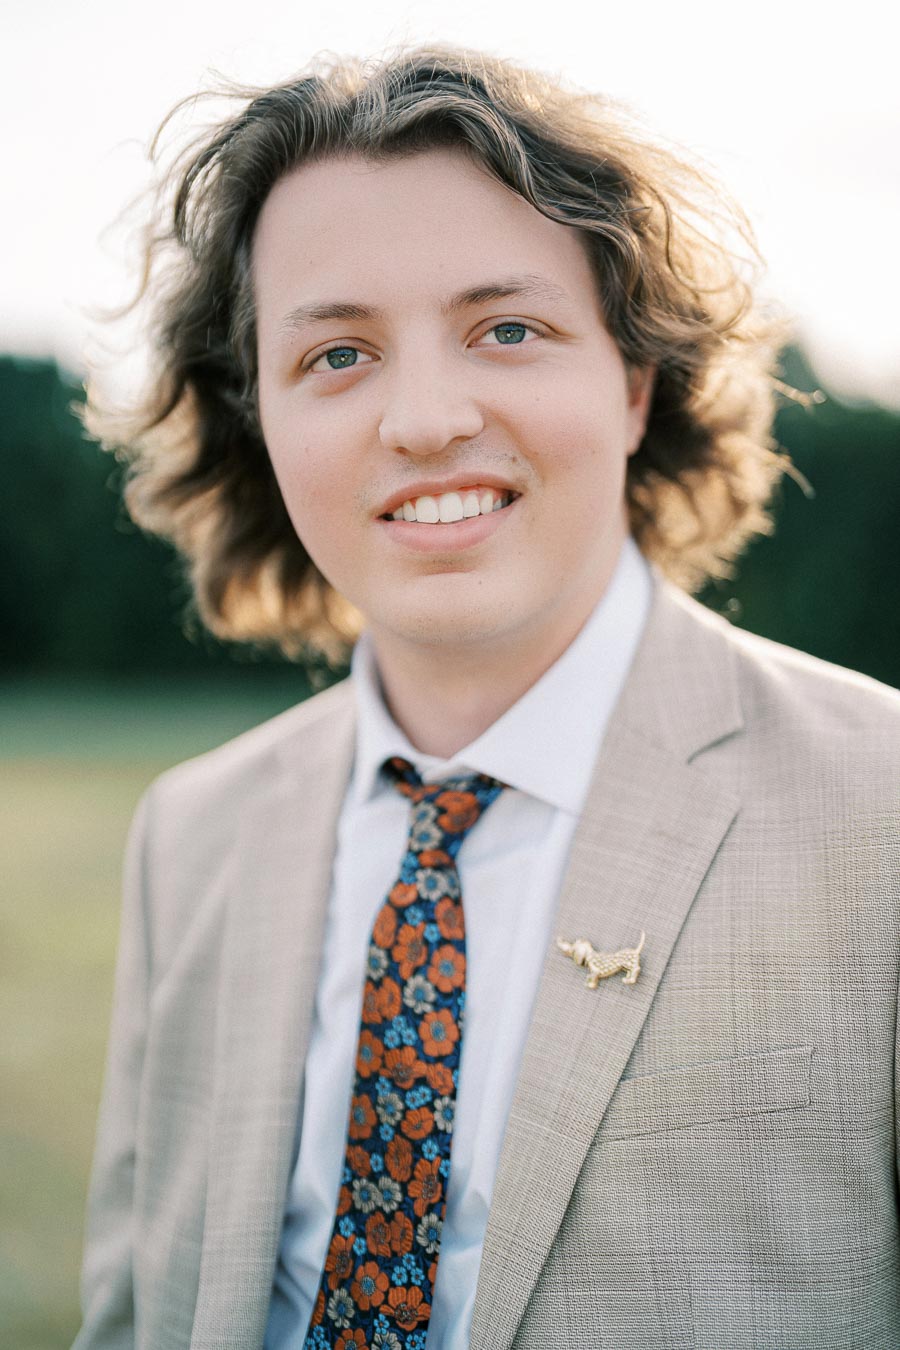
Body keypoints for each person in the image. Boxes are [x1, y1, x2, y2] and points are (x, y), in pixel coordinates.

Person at [74, 44, 900, 1350]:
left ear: (631, 382)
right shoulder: (192, 835)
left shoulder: (881, 811)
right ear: (263, 425)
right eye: (337, 354)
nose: (424, 418)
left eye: (505, 329)